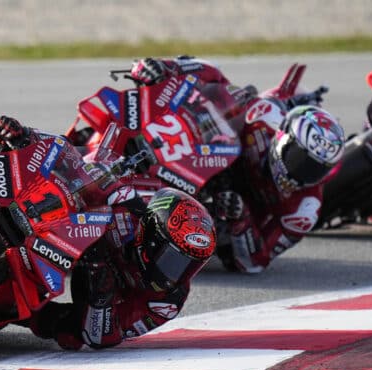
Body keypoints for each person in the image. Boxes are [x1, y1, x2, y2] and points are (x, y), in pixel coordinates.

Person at [0, 115, 216, 350]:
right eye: (173, 259)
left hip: (91, 290)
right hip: (69, 230)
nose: (178, 273)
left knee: (64, 329)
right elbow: (79, 161)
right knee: (17, 179)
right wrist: (25, 137)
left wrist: (100, 294)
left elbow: (106, 336)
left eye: (189, 265)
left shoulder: (167, 301)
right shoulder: (142, 200)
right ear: (152, 235)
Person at [127, 57, 346, 272]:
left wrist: (241, 219)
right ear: (283, 137)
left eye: (316, 169)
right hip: (206, 159)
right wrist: (168, 68)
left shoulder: (304, 210)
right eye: (300, 159)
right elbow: (216, 78)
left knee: (209, 241)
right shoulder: (265, 116)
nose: (302, 173)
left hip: (230, 214)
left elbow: (257, 261)